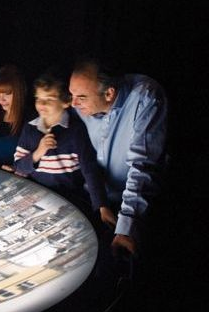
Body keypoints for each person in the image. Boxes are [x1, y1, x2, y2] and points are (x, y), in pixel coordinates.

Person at [68, 57, 167, 256]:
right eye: (71, 94)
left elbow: (142, 167)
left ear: (109, 93)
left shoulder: (146, 97)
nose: (73, 103)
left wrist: (126, 228)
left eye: (81, 97)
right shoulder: (81, 101)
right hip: (95, 200)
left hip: (133, 206)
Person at [13, 73, 115, 226]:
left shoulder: (76, 131)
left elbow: (89, 169)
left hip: (71, 200)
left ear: (66, 101)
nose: (42, 104)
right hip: (39, 197)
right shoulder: (30, 129)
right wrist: (38, 152)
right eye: (38, 99)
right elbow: (19, 166)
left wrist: (102, 206)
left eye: (49, 100)